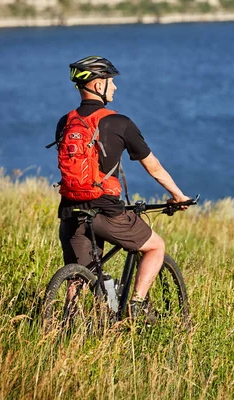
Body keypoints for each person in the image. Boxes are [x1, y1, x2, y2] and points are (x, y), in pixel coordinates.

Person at [54, 55, 191, 319]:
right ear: (97, 85)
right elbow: (154, 167)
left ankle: (65, 327)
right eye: (110, 81)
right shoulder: (120, 123)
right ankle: (136, 305)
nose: (115, 87)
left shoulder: (65, 122)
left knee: (79, 277)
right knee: (155, 247)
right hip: (105, 210)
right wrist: (178, 196)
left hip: (70, 211)